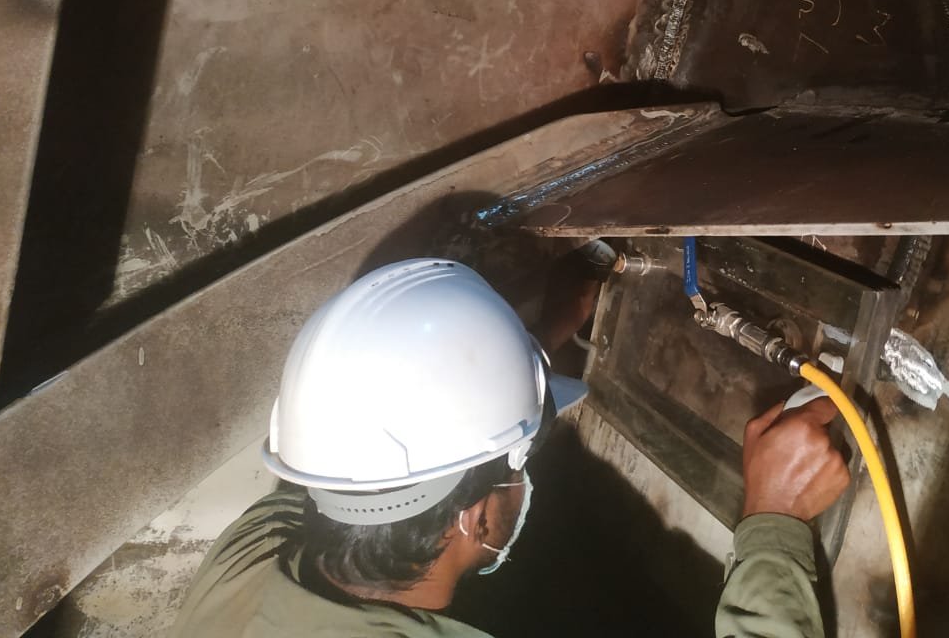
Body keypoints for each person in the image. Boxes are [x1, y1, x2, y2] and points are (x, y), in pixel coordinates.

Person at [170, 258, 850, 638]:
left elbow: (378, 423)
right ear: (476, 518)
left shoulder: (253, 551)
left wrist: (531, 348)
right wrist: (776, 520)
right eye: (526, 460)